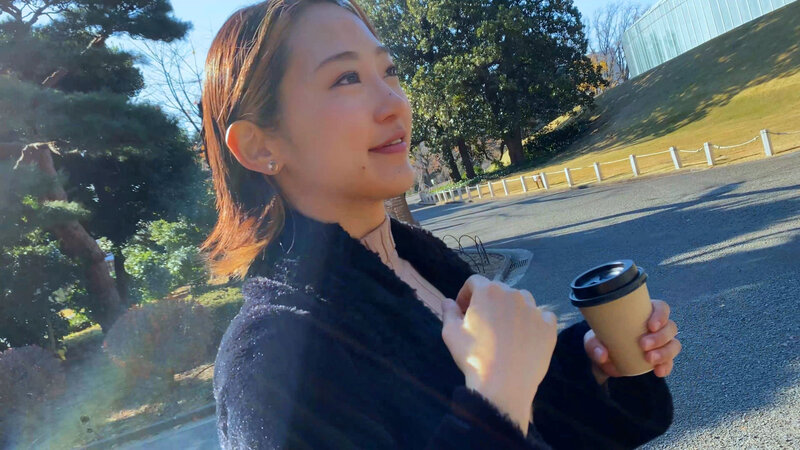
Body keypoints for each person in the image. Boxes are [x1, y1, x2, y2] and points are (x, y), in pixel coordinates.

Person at [200, 1, 682, 448]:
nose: (394, 102)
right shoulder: (268, 365)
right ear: (260, 146)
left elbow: (536, 424)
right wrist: (497, 400)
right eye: (347, 78)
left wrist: (590, 368)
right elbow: (499, 409)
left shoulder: (425, 269)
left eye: (389, 71)